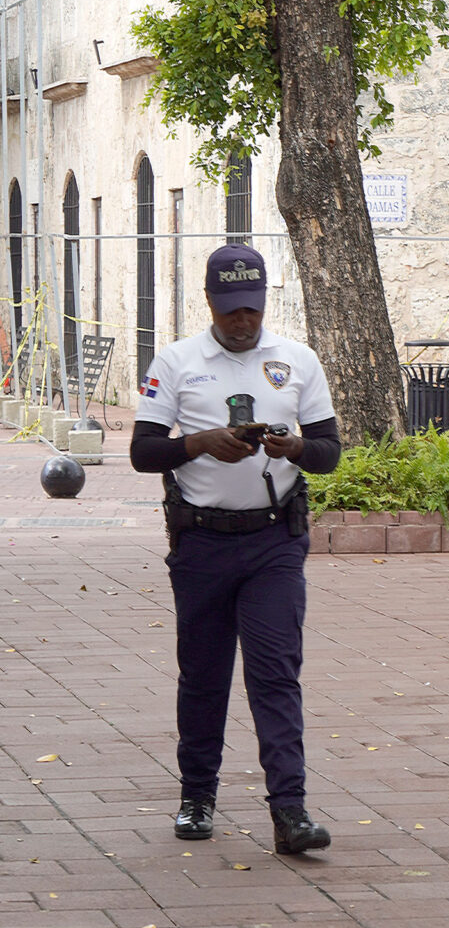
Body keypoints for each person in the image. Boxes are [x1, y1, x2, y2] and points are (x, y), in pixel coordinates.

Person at [130, 243, 341, 854]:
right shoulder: (175, 363)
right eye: (230, 312)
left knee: (276, 673)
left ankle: (290, 812)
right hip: (200, 542)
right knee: (204, 673)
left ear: (264, 302)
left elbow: (329, 452)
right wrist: (202, 444)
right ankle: (197, 795)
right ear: (209, 304)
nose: (241, 322)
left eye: (250, 309)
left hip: (275, 539)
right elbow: (145, 453)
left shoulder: (296, 361)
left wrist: (294, 449)